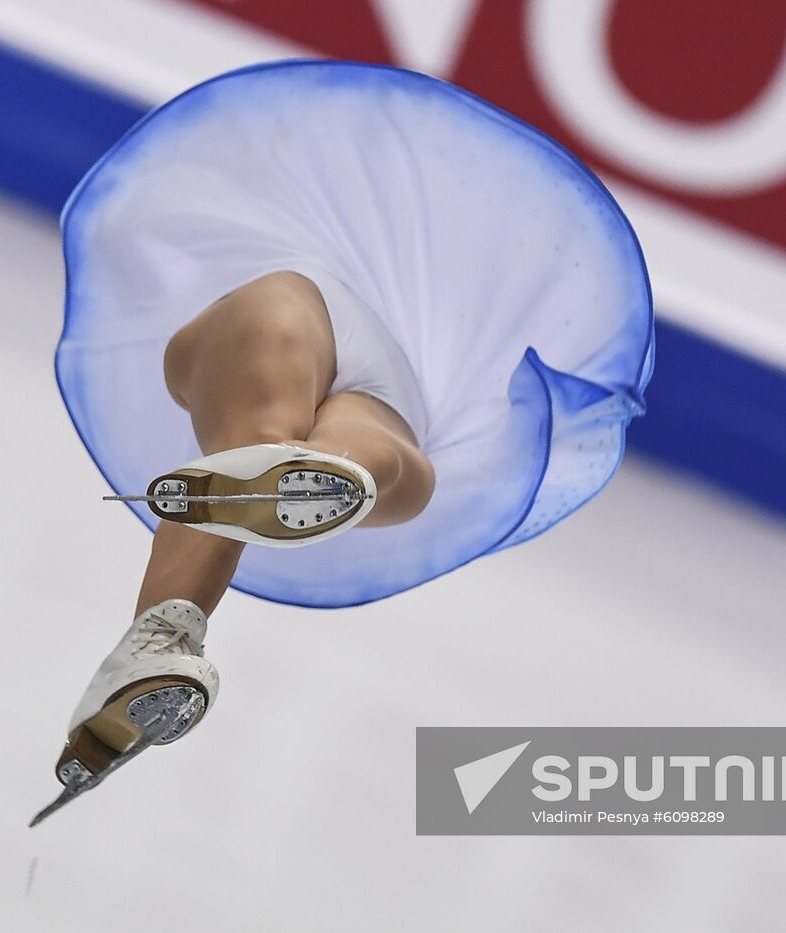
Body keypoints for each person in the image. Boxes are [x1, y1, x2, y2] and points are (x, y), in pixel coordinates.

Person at [32, 59, 654, 823]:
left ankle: (167, 630)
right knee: (386, 459)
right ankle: (324, 476)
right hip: (387, 384)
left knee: (267, 434)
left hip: (289, 310)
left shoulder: (307, 199)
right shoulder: (463, 246)